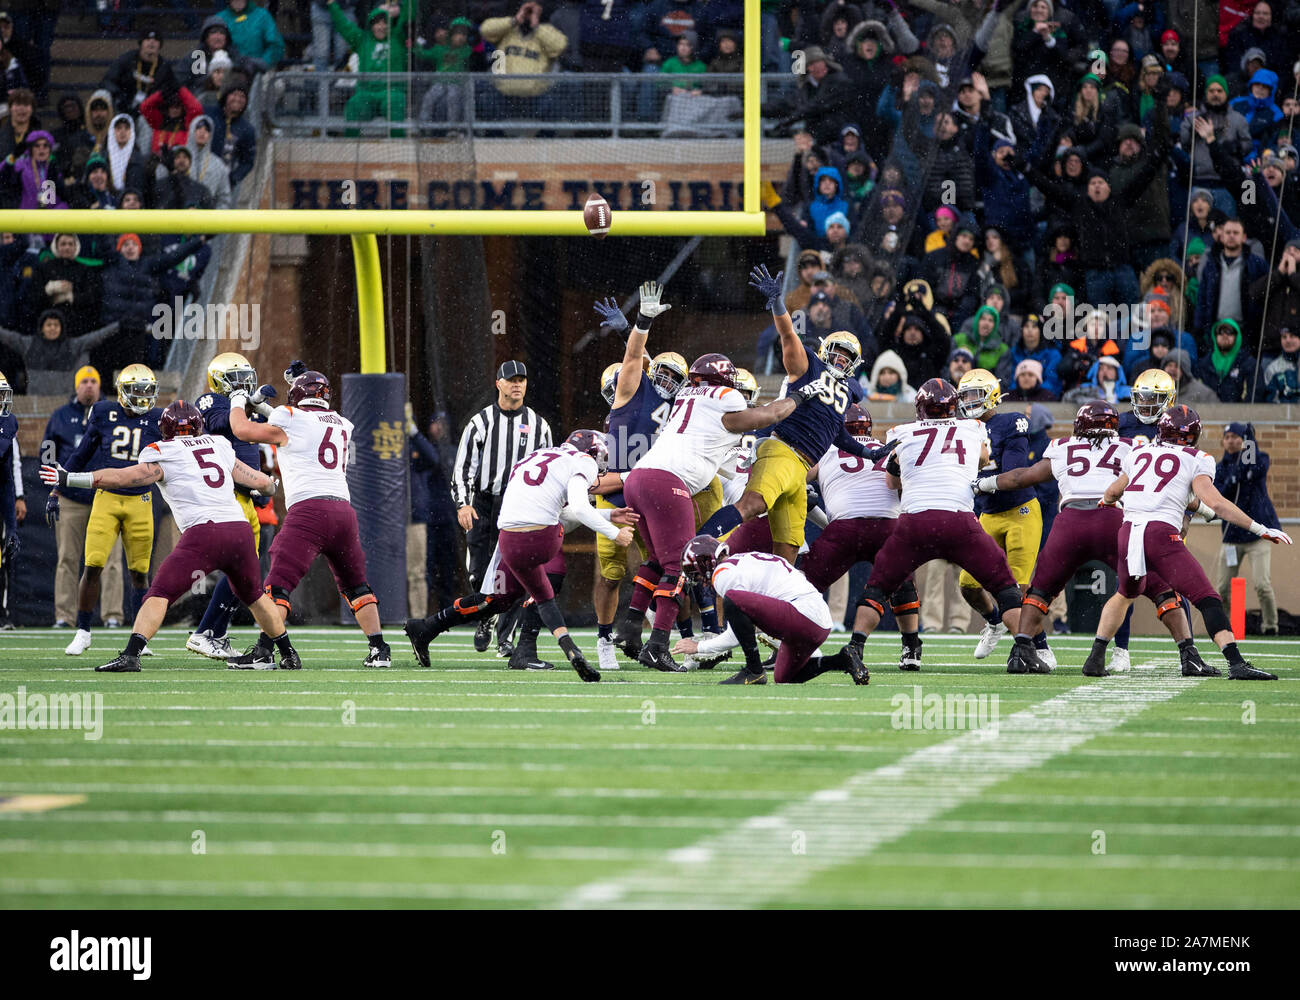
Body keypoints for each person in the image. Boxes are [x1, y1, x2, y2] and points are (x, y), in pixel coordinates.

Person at [41, 399, 299, 674]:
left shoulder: (161, 451)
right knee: (256, 596)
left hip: (204, 533)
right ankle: (288, 653)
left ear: (164, 429)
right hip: (239, 531)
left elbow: (121, 478)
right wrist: (271, 487)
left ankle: (131, 654)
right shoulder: (218, 444)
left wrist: (70, 479)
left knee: (160, 592)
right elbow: (261, 483)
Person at [977, 401, 1214, 675]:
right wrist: (1198, 509)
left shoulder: (1062, 446)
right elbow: (1161, 485)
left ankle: (1021, 651)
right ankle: (1188, 653)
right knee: (1160, 589)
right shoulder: (1132, 447)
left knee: (1040, 592)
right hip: (1112, 520)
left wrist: (984, 483)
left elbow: (1022, 478)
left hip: (1070, 524)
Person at [621, 352, 809, 673]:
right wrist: (797, 398)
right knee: (678, 564)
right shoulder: (724, 396)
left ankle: (629, 629)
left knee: (655, 560)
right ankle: (657, 644)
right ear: (723, 382)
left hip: (638, 478)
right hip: (668, 481)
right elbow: (766, 416)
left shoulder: (685, 397)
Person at [405, 430, 639, 682]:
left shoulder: (539, 455)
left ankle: (427, 627)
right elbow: (580, 509)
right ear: (592, 452)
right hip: (539, 535)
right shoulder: (582, 461)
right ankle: (526, 649)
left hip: (509, 534)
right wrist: (615, 534)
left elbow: (563, 511)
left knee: (495, 601)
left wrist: (607, 515)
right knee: (549, 574)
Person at [1089, 405, 1290, 680]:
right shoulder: (1198, 458)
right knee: (1207, 598)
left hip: (1128, 532)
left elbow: (1112, 492)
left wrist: (1108, 502)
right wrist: (1259, 528)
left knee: (1125, 594)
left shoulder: (1137, 453)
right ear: (1194, 435)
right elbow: (1217, 503)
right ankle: (1236, 662)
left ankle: (1095, 657)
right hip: (1161, 534)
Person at [695, 265, 876, 567]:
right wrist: (779, 304)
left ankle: (774, 608)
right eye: (836, 353)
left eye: (846, 358)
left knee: (790, 550)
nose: (839, 361)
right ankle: (695, 548)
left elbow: (838, 434)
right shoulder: (810, 367)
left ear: (854, 364)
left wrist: (871, 452)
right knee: (752, 504)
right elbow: (788, 333)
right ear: (825, 351)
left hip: (802, 467)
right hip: (783, 451)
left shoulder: (846, 392)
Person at [846, 378, 1026, 664]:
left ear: (921, 408)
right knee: (1003, 585)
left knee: (878, 586)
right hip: (960, 521)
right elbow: (983, 459)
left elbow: (892, 483)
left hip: (915, 523)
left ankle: (856, 646)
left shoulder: (902, 432)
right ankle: (1024, 649)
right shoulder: (973, 427)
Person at [225, 371, 392, 669]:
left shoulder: (290, 417)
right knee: (355, 585)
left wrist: (238, 399)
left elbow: (241, 430)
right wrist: (269, 407)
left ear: (297, 399)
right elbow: (300, 425)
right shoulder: (342, 422)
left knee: (278, 584)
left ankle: (264, 650)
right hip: (343, 512)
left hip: (309, 512)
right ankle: (379, 648)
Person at [589, 284, 676, 672]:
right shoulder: (624, 399)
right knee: (610, 575)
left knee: (666, 563)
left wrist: (635, 327)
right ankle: (606, 638)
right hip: (617, 500)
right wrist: (637, 324)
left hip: (649, 495)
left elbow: (641, 358)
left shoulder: (662, 393)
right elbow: (635, 359)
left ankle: (667, 633)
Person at [802, 403, 922, 671]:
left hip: (844, 530)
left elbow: (799, 477)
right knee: (901, 583)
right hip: (888, 526)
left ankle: (793, 640)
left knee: (801, 586)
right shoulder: (885, 447)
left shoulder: (825, 448)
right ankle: (911, 646)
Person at [57, 364, 163, 658]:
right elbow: (83, 452)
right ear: (122, 391)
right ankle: (83, 631)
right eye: (135, 391)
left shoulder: (157, 418)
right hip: (106, 497)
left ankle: (140, 637)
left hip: (141, 500)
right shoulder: (104, 412)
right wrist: (58, 487)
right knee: (93, 565)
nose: (142, 397)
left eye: (146, 391)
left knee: (139, 573)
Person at [452, 359, 553, 657]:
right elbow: (463, 469)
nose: (517, 384)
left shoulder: (539, 425)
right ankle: (485, 616)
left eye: (521, 379)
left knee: (515, 571)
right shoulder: (480, 423)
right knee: (479, 572)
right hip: (484, 502)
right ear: (498, 383)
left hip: (519, 504)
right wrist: (464, 504)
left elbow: (548, 467)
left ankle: (505, 637)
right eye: (511, 380)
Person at [674, 536, 866, 686]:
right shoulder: (743, 560)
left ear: (705, 562)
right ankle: (842, 659)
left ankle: (754, 670)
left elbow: (734, 636)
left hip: (802, 615)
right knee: (785, 676)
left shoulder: (723, 573)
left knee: (733, 600)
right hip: (816, 619)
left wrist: (698, 647)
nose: (700, 580)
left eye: (696, 574)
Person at [955, 368, 1052, 666]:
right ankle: (994, 621)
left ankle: (1039, 645)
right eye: (965, 396)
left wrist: (980, 480)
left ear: (992, 395)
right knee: (968, 583)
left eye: (976, 395)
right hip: (989, 513)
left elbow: (1014, 473)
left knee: (1018, 588)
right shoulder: (960, 428)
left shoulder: (1010, 422)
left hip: (1020, 511)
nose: (970, 401)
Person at [184, 352, 276, 660]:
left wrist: (260, 403)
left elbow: (275, 426)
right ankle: (205, 631)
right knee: (240, 569)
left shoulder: (244, 407)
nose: (242, 384)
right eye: (235, 378)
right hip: (226, 494)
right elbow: (225, 423)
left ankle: (215, 633)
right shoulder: (211, 402)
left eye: (245, 377)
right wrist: (242, 401)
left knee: (245, 571)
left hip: (246, 496)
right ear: (218, 380)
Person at [42, 366, 124, 629]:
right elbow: (47, 455)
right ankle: (64, 616)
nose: (89, 385)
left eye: (93, 381)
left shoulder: (114, 413)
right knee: (68, 557)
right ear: (76, 387)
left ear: (100, 386)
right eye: (84, 381)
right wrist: (54, 484)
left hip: (107, 494)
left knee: (111, 561)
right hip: (72, 498)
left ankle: (112, 615)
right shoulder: (60, 416)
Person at [1214, 422, 1280, 635]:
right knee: (1222, 588)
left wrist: (1252, 445)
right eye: (1228, 437)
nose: (1231, 440)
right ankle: (1228, 627)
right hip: (1232, 535)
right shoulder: (1220, 467)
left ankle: (1271, 626)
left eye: (1237, 436)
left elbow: (1256, 470)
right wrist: (1233, 478)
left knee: (1262, 584)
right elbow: (1220, 494)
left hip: (1257, 534)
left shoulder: (1259, 458)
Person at [327, 1, 412, 135]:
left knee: (396, 102)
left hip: (392, 92)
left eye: (385, 23)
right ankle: (351, 147)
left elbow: (407, 14)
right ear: (371, 25)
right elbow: (343, 25)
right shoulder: (362, 40)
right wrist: (332, 4)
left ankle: (398, 145)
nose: (381, 27)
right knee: (354, 104)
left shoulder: (398, 38)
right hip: (367, 93)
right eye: (377, 23)